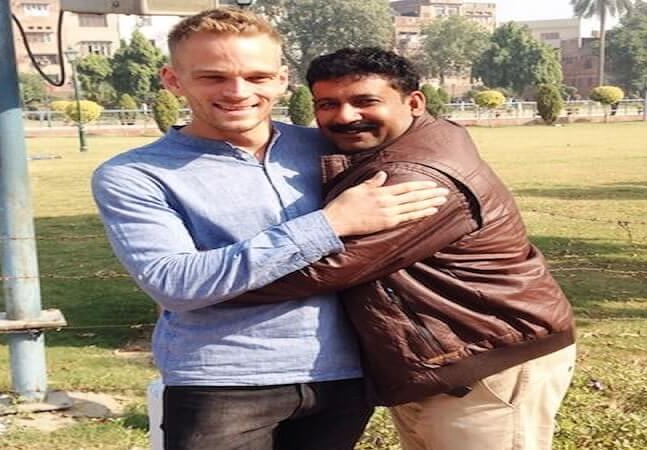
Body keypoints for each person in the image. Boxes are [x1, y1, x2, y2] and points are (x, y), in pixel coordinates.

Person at [91, 9, 447, 450]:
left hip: (342, 374)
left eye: (257, 76)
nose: (238, 92)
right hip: (221, 381)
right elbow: (174, 282)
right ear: (172, 80)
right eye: (213, 77)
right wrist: (330, 223)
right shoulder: (134, 175)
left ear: (281, 80)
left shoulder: (326, 145)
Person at [232, 47, 576, 450]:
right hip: (450, 360)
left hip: (487, 365)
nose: (345, 116)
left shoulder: (414, 178)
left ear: (413, 102)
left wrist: (204, 286)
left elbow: (326, 267)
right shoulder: (406, 144)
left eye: (365, 101)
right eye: (328, 104)